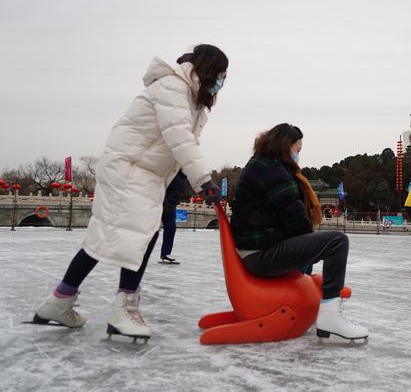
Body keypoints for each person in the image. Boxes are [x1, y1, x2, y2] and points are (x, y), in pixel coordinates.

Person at [33, 44, 227, 341]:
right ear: (208, 68)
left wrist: (200, 179)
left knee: (111, 235)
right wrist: (203, 180)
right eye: (221, 75)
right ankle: (123, 308)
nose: (221, 82)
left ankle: (60, 300)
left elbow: (185, 143)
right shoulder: (173, 87)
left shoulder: (190, 99)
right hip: (130, 168)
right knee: (139, 234)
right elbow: (180, 138)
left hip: (144, 171)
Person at [230, 123, 368, 340]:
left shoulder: (262, 165)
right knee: (336, 242)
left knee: (311, 243)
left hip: (257, 249)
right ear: (286, 146)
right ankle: (330, 316)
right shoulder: (272, 171)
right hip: (261, 255)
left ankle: (309, 302)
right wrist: (312, 243)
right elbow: (296, 221)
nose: (298, 156)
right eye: (298, 150)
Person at [159, 170, 189, 264]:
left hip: (171, 207)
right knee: (150, 230)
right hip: (160, 204)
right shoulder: (171, 172)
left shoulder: (184, 178)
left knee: (171, 228)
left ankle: (166, 253)